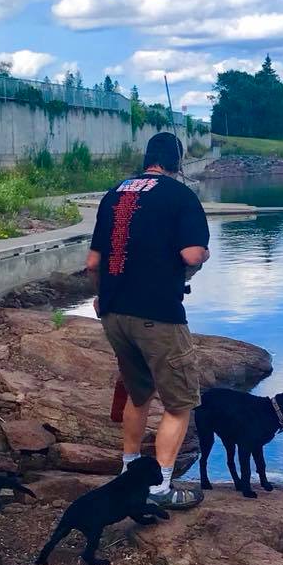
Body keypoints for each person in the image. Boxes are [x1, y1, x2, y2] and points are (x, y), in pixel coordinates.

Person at [86, 132, 209, 509]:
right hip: (158, 315)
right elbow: (190, 255)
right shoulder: (181, 196)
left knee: (137, 395)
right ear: (177, 163)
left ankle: (129, 471)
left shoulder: (114, 194)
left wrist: (101, 296)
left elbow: (94, 262)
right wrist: (203, 254)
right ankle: (159, 488)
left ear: (147, 159)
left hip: (114, 314)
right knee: (179, 404)